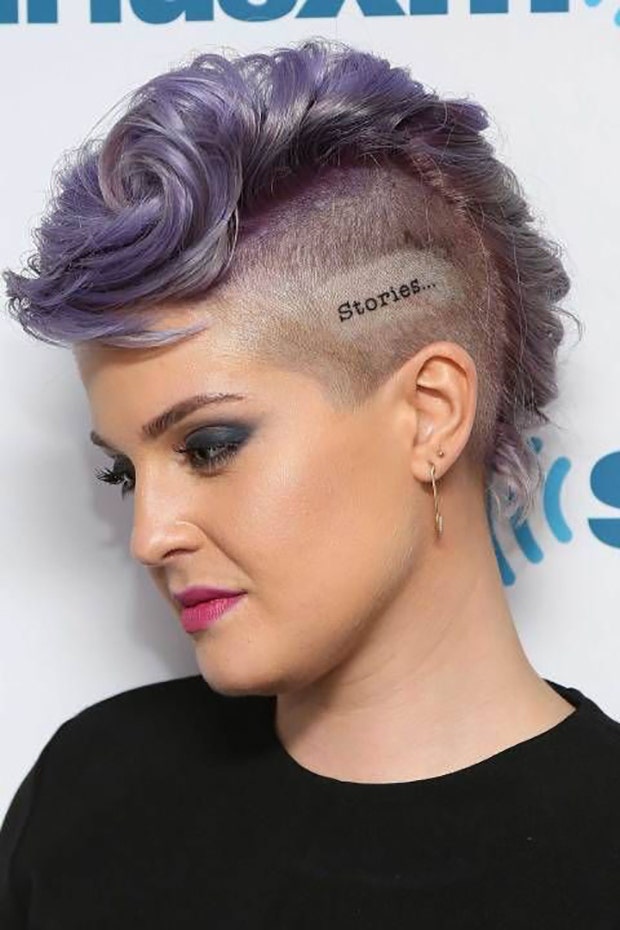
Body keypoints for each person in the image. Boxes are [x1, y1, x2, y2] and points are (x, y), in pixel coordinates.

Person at [1, 37, 619, 929]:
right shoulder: (87, 799)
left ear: (431, 414)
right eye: (123, 470)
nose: (149, 535)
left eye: (209, 446)